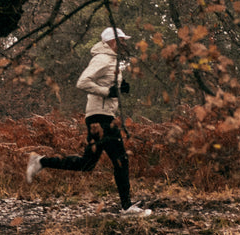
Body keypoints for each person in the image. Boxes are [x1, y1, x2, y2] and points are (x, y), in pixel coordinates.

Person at [26, 26, 152, 216]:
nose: (125, 43)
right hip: (100, 118)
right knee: (120, 160)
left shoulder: (112, 60)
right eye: (122, 40)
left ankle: (41, 161)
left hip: (102, 116)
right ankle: (126, 207)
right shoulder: (102, 59)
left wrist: (120, 88)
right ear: (112, 41)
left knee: (87, 164)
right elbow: (83, 82)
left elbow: (107, 85)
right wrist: (107, 92)